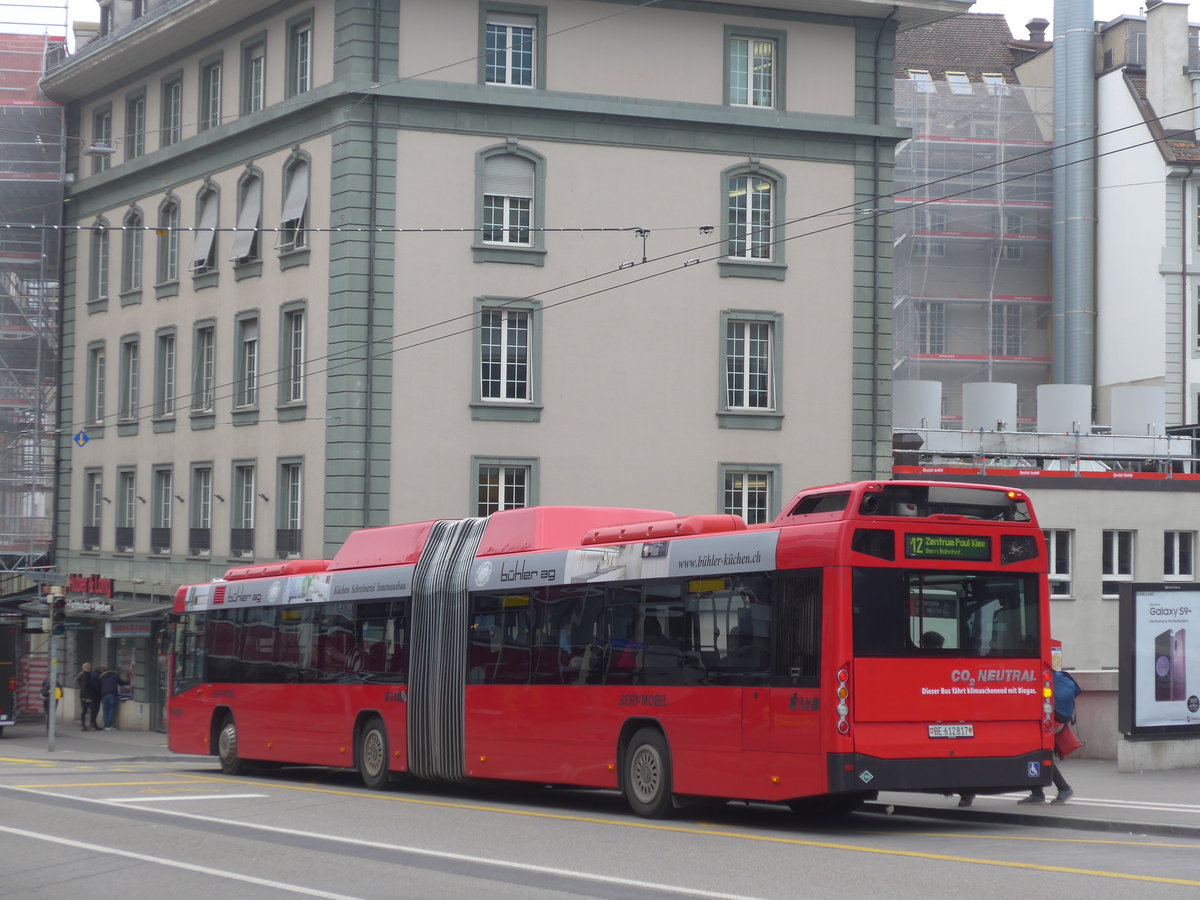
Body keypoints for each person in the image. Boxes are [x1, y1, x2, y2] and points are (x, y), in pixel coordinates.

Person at [1018, 666, 1080, 805]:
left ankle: (1062, 789)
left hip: (1051, 719)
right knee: (1035, 753)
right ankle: (1038, 793)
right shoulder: (1050, 674)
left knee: (1038, 753)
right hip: (1056, 717)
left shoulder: (1034, 676)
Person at [97, 665, 128, 731]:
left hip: (104, 695)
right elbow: (121, 683)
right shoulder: (114, 675)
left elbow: (99, 686)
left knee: (106, 710)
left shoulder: (101, 677)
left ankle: (106, 726)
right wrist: (128, 682)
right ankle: (109, 726)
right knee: (111, 710)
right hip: (112, 694)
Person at [75, 662, 100, 731]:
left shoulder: (82, 674)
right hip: (87, 696)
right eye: (90, 667)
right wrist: (87, 697)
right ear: (87, 667)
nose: (91, 668)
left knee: (84, 710)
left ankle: (84, 725)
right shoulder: (86, 675)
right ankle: (91, 725)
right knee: (93, 710)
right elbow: (85, 686)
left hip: (83, 695)